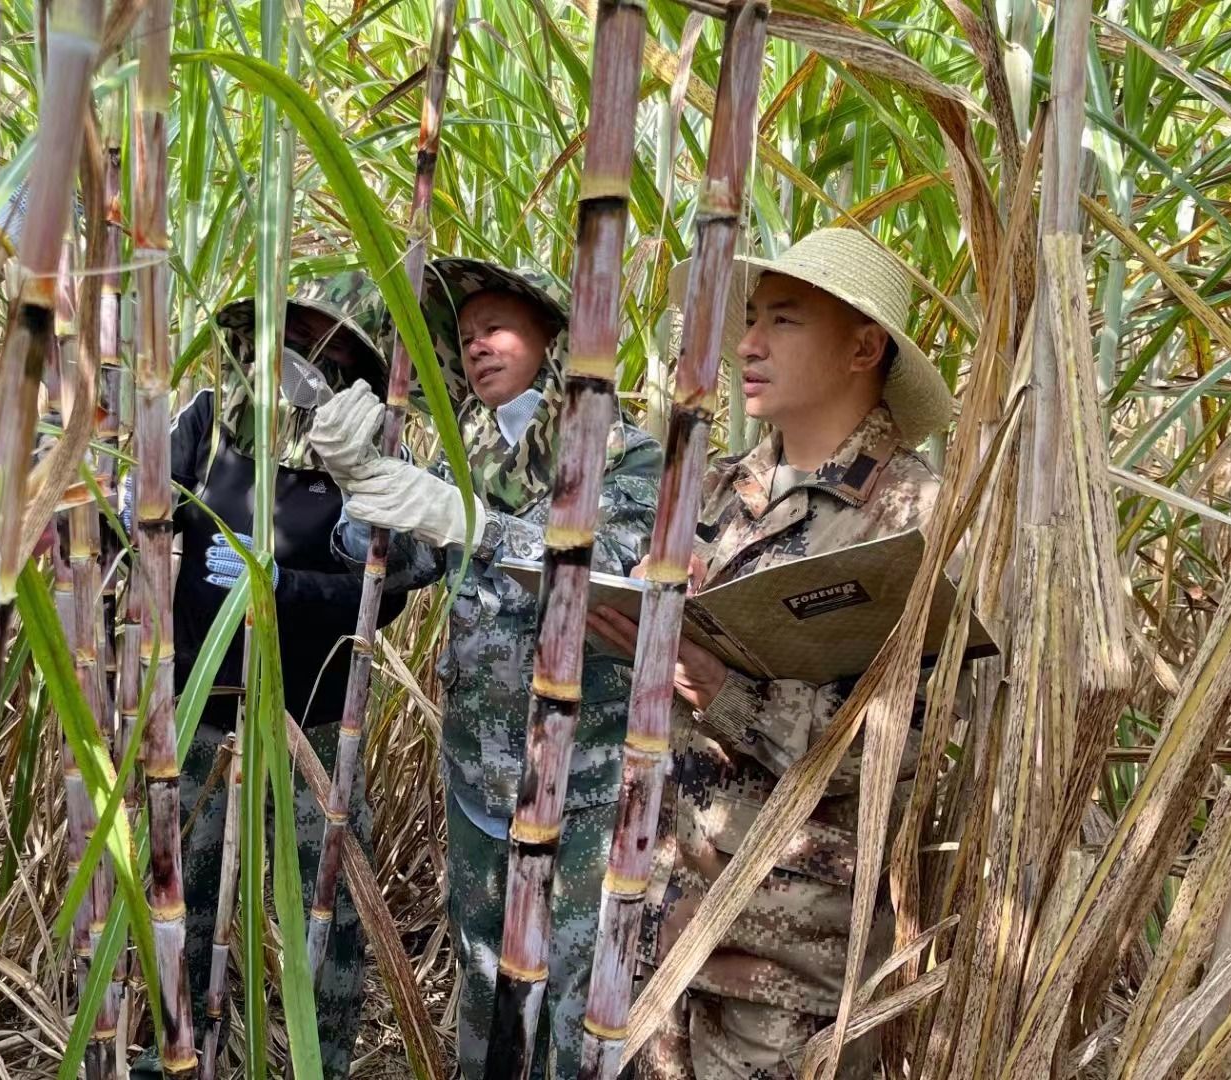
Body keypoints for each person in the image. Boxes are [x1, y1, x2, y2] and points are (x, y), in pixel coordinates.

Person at [584, 227, 955, 1080]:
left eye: (782, 321)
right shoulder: (720, 489)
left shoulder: (914, 519)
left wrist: (722, 689)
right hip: (670, 916)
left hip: (790, 955)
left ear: (864, 347)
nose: (747, 343)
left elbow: (916, 738)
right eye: (750, 318)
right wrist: (648, 629)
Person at [307, 259, 662, 1080]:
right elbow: (395, 564)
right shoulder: (465, 460)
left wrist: (478, 526)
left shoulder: (622, 454)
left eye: (498, 329)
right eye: (465, 338)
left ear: (554, 339)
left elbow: (612, 569)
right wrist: (355, 488)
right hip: (478, 771)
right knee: (483, 970)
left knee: (574, 987)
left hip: (587, 778)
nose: (477, 348)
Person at [146, 274, 411, 1080]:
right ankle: (173, 1059)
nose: (303, 354)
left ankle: (315, 1064)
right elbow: (139, 512)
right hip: (202, 718)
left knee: (323, 923)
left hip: (316, 731)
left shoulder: (366, 452)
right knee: (176, 909)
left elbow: (386, 595)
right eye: (292, 333)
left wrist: (277, 585)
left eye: (326, 344)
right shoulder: (211, 421)